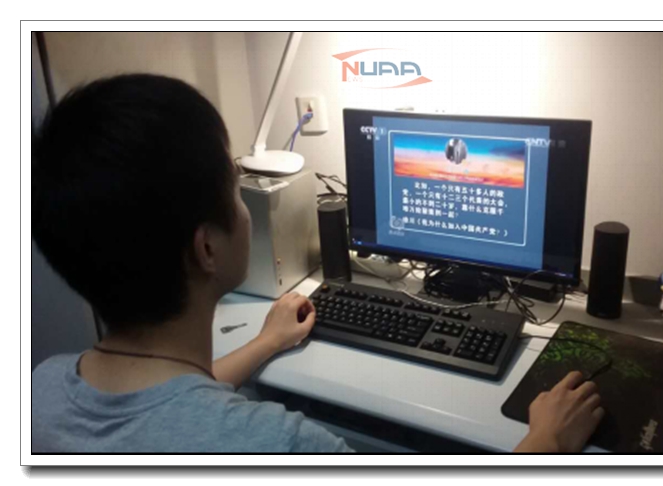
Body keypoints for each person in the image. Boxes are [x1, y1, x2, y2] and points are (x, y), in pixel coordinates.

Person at [31, 74, 604, 453]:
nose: (249, 208)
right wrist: (546, 442)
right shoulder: (279, 446)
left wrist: (266, 342)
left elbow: (172, 399)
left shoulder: (39, 392)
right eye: (237, 190)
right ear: (207, 249)